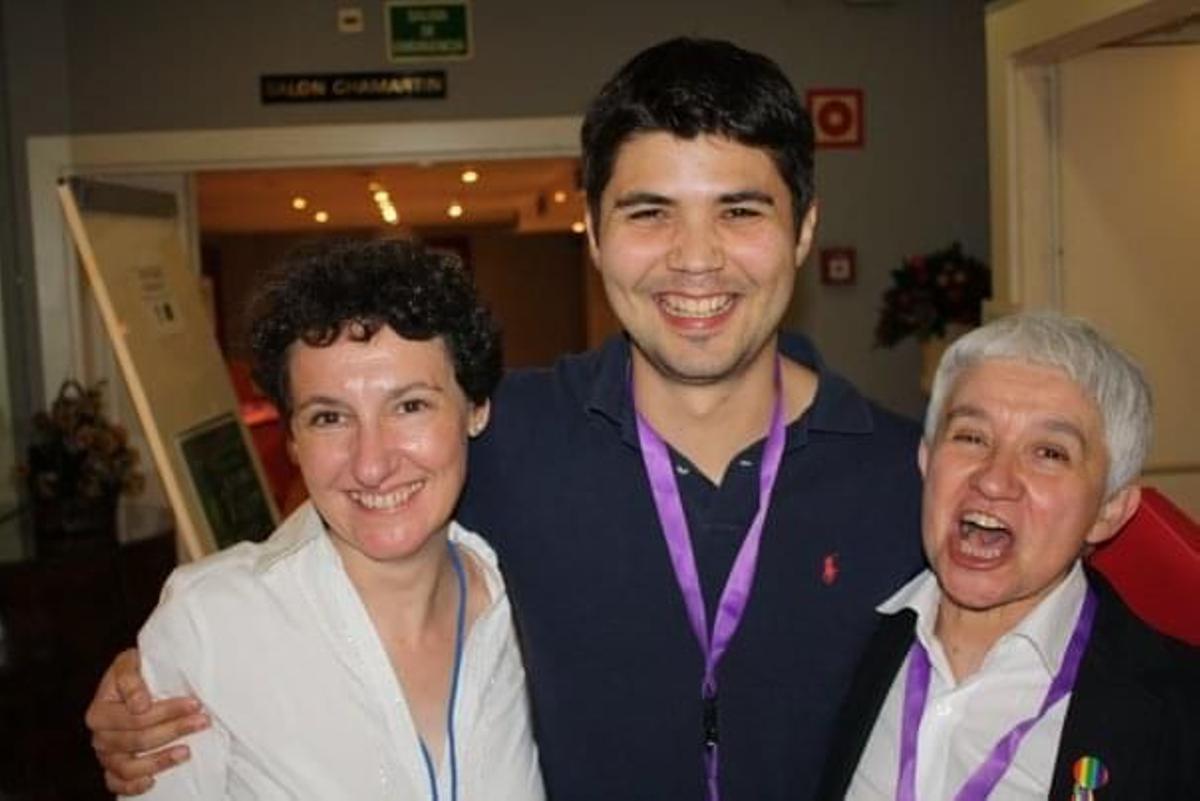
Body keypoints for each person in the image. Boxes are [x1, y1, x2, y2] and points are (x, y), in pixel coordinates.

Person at [87, 38, 924, 800]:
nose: (694, 256)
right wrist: (175, 663)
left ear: (804, 228)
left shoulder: (906, 482)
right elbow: (361, 493)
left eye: (740, 210)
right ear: (593, 231)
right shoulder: (505, 434)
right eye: (649, 211)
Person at [120, 239, 544, 799]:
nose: (372, 463)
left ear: (476, 408)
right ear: (293, 437)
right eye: (329, 417)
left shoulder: (536, 610)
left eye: (410, 405)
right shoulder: (213, 625)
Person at [816, 312, 1200, 800]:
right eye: (972, 437)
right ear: (926, 460)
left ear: (1109, 510)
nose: (994, 479)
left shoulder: (1179, 717)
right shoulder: (834, 642)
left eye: (1049, 453)